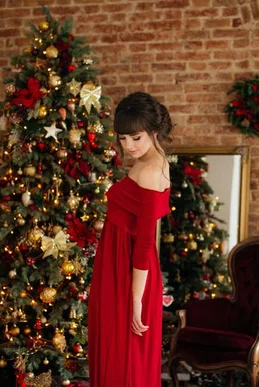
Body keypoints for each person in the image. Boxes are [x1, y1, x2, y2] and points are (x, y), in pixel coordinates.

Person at [88, 92, 172, 386]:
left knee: (123, 358)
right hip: (121, 265)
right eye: (123, 138)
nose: (128, 146)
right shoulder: (154, 160)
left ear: (153, 131)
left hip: (128, 272)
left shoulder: (150, 171)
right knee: (122, 355)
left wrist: (135, 300)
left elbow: (145, 242)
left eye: (135, 138)